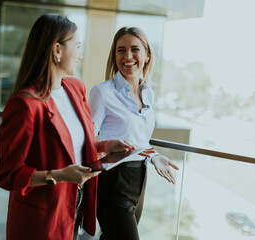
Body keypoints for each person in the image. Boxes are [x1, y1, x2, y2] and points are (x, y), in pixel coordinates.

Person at [0, 14, 132, 240]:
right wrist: (59, 176)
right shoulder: (25, 104)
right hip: (41, 220)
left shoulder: (75, 88)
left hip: (73, 209)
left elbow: (70, 144)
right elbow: (7, 175)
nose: (80, 55)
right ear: (57, 50)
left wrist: (105, 145)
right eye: (77, 47)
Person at [88, 27, 180, 240]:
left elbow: (141, 139)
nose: (127, 56)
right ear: (115, 56)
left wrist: (154, 156)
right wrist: (107, 146)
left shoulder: (148, 93)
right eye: (121, 50)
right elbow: (86, 141)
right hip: (113, 180)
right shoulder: (102, 92)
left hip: (139, 179)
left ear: (147, 55)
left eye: (134, 49)